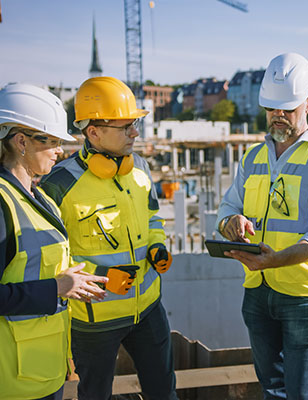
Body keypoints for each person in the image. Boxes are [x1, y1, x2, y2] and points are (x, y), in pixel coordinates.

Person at [216, 53, 308, 399]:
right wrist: (230, 223)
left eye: (287, 108)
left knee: (303, 393)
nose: (278, 115)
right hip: (258, 289)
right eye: (271, 108)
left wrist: (276, 260)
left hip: (305, 295)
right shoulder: (253, 157)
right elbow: (227, 207)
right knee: (272, 389)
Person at [40, 77, 177, 400]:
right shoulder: (59, 184)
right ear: (93, 132)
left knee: (163, 391)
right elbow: (49, 256)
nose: (135, 133)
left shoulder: (140, 168)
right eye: (125, 126)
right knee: (95, 394)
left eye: (135, 124)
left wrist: (157, 245)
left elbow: (154, 218)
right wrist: (100, 278)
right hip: (94, 320)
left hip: (148, 310)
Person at [0, 83, 108, 400]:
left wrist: (72, 282)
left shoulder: (41, 198)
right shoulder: (2, 203)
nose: (61, 150)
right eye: (53, 142)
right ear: (21, 141)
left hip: (44, 370)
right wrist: (59, 287)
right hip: (12, 382)